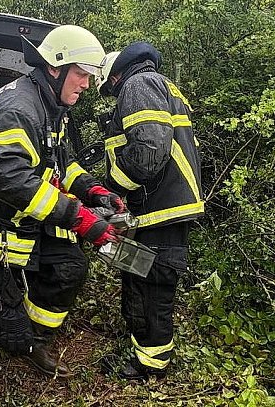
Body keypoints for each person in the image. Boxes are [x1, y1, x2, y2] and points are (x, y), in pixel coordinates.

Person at [0, 24, 123, 400]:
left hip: (18, 224)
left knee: (68, 266)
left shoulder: (53, 107)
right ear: (55, 67)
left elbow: (60, 164)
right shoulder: (19, 107)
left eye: (89, 76)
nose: (86, 84)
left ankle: (30, 338)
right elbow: (13, 181)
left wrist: (93, 190)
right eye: (82, 73)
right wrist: (81, 218)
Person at [95, 42, 204, 380]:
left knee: (152, 287)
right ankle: (141, 347)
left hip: (161, 209)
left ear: (113, 78)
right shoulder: (158, 84)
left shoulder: (138, 84)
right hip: (157, 207)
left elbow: (148, 152)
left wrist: (113, 188)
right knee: (135, 277)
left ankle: (150, 365)